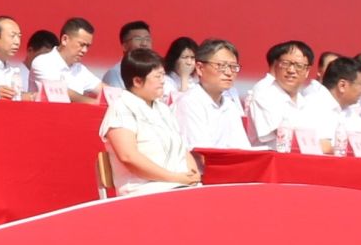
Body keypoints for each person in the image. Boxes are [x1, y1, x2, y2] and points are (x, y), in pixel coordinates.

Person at [100, 48, 201, 195]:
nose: (163, 81)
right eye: (157, 76)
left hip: (178, 186)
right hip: (144, 190)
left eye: (163, 75)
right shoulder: (121, 108)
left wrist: (193, 174)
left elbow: (182, 149)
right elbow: (128, 157)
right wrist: (173, 178)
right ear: (137, 81)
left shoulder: (163, 108)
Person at [298, 56, 361, 154]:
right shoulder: (314, 104)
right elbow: (323, 147)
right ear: (342, 85)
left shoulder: (345, 109)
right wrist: (358, 149)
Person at [177, 38, 252, 150]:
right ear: (200, 68)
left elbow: (243, 149)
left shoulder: (230, 106)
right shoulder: (189, 102)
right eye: (221, 66)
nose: (229, 73)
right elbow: (201, 151)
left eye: (233, 67)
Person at [246, 40, 316, 147]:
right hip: (270, 156)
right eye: (285, 64)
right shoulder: (265, 93)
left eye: (299, 65)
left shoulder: (304, 102)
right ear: (276, 66)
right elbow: (284, 135)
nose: (291, 70)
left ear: (307, 71)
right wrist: (321, 144)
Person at [30, 17, 103, 103]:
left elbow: (103, 89)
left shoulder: (80, 69)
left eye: (87, 46)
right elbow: (61, 93)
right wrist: (95, 103)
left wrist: (115, 97)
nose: (85, 50)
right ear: (65, 39)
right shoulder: (42, 62)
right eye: (81, 45)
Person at [100, 19, 155, 89]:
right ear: (124, 46)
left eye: (147, 39)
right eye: (138, 39)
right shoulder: (115, 74)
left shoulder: (157, 71)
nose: (144, 44)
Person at [162, 37, 199, 105]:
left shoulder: (197, 80)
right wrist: (184, 77)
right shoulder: (165, 81)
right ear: (174, 59)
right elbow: (181, 106)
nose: (189, 62)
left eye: (192, 58)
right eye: (185, 57)